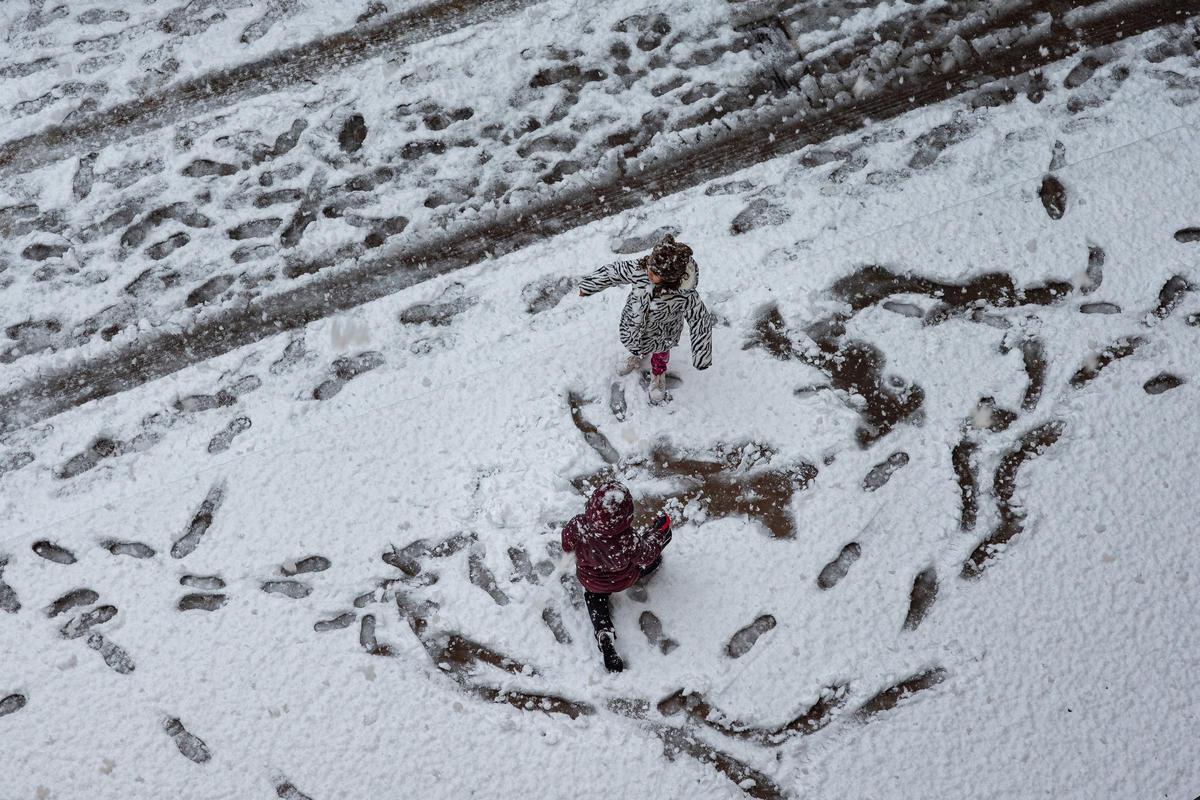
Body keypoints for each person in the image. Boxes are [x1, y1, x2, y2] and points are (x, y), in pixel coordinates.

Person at [578, 234, 712, 403]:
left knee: (660, 355)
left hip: (664, 333)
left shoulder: (684, 294)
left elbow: (700, 321)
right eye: (650, 266)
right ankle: (636, 355)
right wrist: (589, 285)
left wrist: (702, 356)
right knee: (637, 342)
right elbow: (614, 271)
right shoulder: (640, 270)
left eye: (655, 273)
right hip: (635, 324)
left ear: (670, 279)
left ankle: (658, 375)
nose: (649, 272)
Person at [560, 481, 672, 672]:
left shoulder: (579, 525)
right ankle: (605, 632)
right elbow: (647, 555)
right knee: (654, 560)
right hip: (624, 579)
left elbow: (566, 545)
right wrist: (659, 535)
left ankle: (603, 632)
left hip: (591, 580)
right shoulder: (628, 539)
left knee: (595, 598)